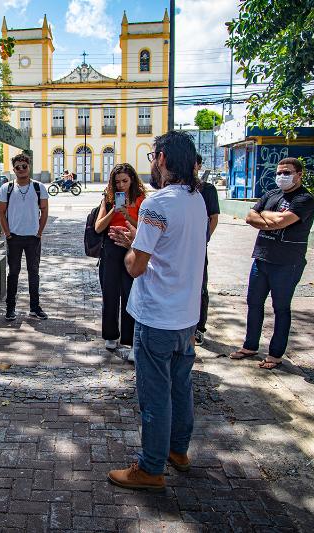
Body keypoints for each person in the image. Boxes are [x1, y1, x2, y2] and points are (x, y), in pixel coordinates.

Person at [106, 131, 206, 491]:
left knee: (154, 396)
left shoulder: (156, 204)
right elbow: (171, 249)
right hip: (186, 317)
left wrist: (132, 245)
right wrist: (141, 240)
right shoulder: (197, 200)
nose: (150, 163)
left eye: (152, 156)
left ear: (162, 159)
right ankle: (178, 451)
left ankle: (150, 468)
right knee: (181, 388)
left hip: (156, 316)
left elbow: (136, 267)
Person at [229, 157, 314, 369]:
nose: (281, 177)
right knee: (254, 303)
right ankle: (250, 346)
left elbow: (280, 221)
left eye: (287, 173)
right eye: (279, 173)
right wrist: (268, 217)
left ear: (299, 175)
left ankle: (276, 354)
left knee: (281, 308)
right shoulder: (271, 194)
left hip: (287, 263)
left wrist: (265, 216)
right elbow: (250, 217)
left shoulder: (304, 199)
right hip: (261, 258)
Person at [93, 163, 146, 360]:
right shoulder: (107, 200)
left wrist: (127, 217)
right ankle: (110, 335)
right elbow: (98, 227)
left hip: (131, 248)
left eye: (125, 181)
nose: (122, 185)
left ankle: (131, 341)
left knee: (130, 295)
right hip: (110, 250)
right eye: (117, 182)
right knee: (110, 293)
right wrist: (113, 211)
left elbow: (145, 229)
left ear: (132, 180)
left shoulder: (142, 200)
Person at [0, 153, 49, 321]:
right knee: (13, 273)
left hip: (33, 238)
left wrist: (39, 232)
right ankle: (10, 308)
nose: (21, 169)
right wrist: (7, 234)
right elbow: (1, 212)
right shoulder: (7, 188)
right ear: (14, 169)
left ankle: (35, 307)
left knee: (34, 272)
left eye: (24, 166)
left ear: (29, 167)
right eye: (17, 167)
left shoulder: (39, 187)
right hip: (14, 238)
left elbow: (45, 210)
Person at [195, 154, 220, 345]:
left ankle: (199, 327)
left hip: (198, 247)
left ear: (199, 165)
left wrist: (203, 240)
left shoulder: (207, 189)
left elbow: (213, 219)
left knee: (200, 287)